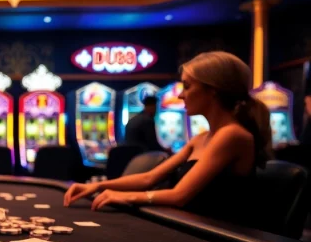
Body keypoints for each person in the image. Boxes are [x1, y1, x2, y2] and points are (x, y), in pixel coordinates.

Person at [64, 51, 272, 221]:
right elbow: (149, 178)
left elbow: (179, 196)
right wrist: (99, 186)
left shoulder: (233, 135)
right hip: (195, 227)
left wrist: (124, 197)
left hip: (223, 238)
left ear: (213, 91)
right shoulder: (201, 138)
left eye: (188, 86)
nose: (181, 94)